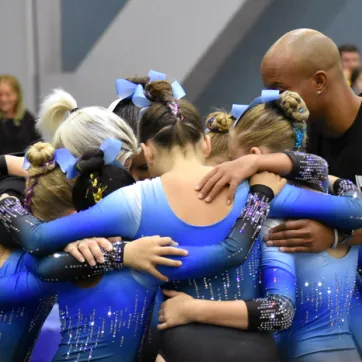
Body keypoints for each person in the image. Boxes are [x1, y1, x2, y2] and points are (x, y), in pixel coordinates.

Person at [2, 81, 362, 362]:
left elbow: (40, 246)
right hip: (251, 349)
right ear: (206, 144)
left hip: (183, 346)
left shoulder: (134, 201)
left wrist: (7, 198)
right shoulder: (255, 187)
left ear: (147, 150)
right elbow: (355, 212)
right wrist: (324, 224)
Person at [160, 90, 361, 362]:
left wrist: (192, 309)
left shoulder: (270, 203)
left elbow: (278, 311)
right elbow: (336, 187)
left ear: (252, 156)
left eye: (232, 161)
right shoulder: (326, 193)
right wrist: (340, 227)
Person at [0, 75, 39, 154]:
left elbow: (38, 147)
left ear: (17, 95)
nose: (3, 99)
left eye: (8, 95)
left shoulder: (28, 120)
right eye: (0, 95)